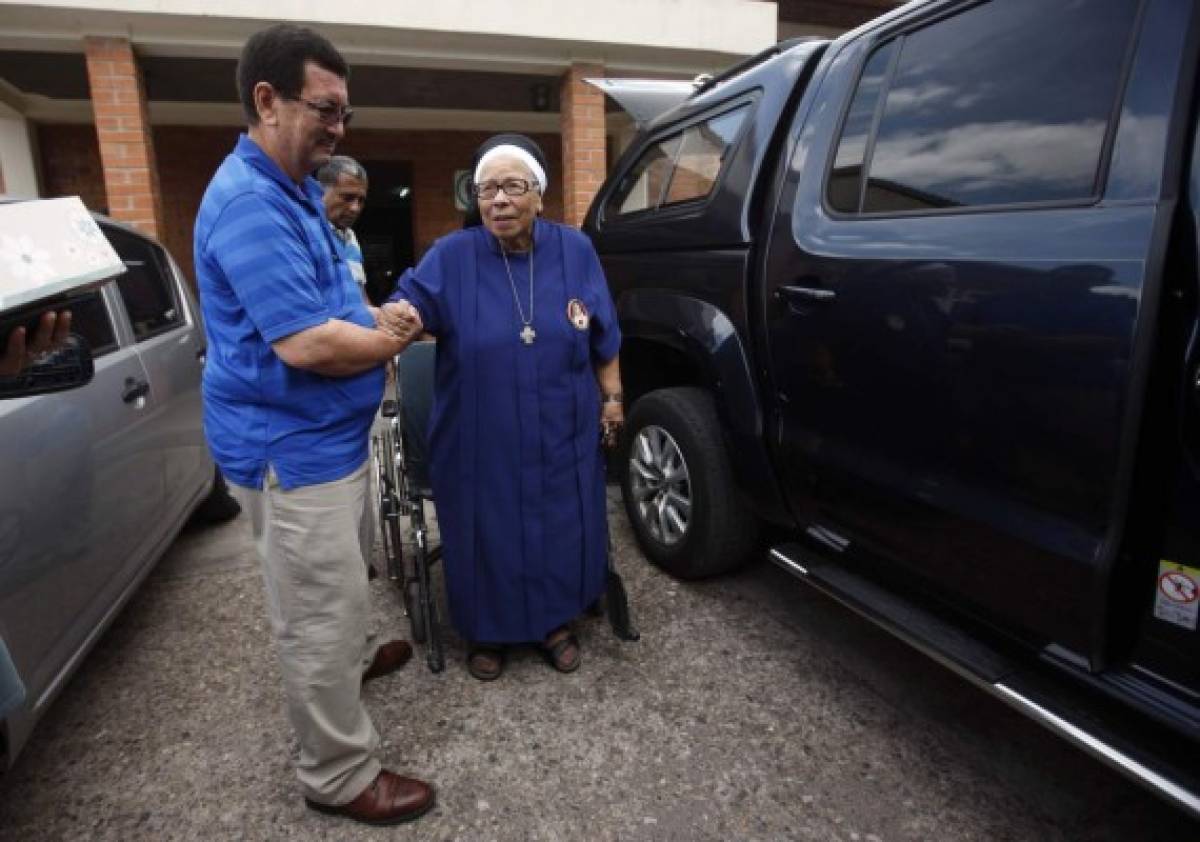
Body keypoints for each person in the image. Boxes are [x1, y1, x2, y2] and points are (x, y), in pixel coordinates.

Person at [192, 24, 432, 826]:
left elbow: (335, 308)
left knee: (344, 582)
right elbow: (310, 343)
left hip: (330, 442)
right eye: (324, 108)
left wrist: (377, 312)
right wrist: (396, 335)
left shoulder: (298, 188)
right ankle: (336, 773)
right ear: (267, 101)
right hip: (291, 453)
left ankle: (356, 661)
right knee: (317, 612)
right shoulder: (250, 204)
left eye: (345, 113)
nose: (338, 127)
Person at [382, 134, 623, 681]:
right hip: (478, 433)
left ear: (539, 194)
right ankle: (485, 631)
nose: (498, 200)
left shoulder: (575, 250)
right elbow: (411, 300)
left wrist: (612, 400)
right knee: (484, 528)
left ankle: (554, 622)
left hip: (562, 427)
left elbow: (604, 336)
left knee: (559, 521)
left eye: (513, 187)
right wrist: (399, 313)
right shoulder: (453, 255)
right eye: (486, 189)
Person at [317, 155, 369, 301]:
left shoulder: (350, 237)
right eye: (347, 197)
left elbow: (360, 294)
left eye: (361, 200)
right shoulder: (305, 234)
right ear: (320, 192)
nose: (355, 208)